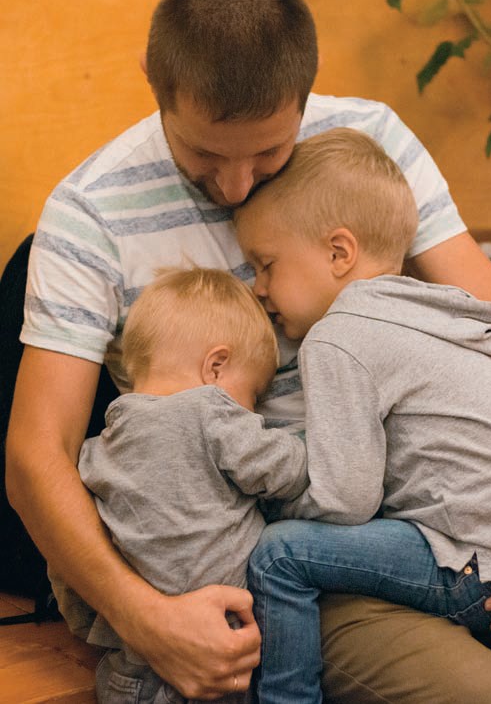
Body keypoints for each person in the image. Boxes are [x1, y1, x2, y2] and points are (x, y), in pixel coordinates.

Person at [5, 0, 491, 703]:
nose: (236, 185)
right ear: (154, 81)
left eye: (268, 153)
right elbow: (36, 454)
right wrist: (144, 617)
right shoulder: (89, 212)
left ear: (306, 94)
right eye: (204, 155)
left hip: (455, 523)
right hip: (289, 565)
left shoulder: (367, 142)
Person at [233, 127, 491, 703]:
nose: (258, 289)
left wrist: (274, 501)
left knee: (279, 554)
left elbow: (346, 500)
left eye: (266, 265)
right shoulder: (438, 312)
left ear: (339, 253)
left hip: (469, 564)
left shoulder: (339, 335)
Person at [74, 266, 307, 703]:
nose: (254, 412)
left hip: (131, 669)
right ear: (216, 367)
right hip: (221, 646)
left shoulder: (94, 452)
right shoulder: (210, 412)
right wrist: (307, 451)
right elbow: (286, 473)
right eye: (253, 396)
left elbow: (69, 563)